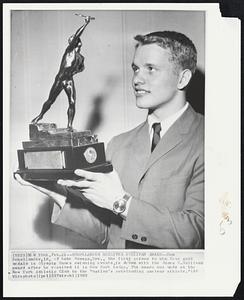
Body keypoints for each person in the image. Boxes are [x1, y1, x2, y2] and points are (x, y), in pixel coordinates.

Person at [16, 30, 204, 249]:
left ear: (183, 78)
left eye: (150, 69)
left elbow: (197, 232)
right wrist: (56, 192)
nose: (137, 79)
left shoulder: (211, 139)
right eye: (135, 69)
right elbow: (109, 234)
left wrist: (120, 202)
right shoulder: (119, 143)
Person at [31, 15, 93, 130]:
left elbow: (81, 68)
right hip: (60, 79)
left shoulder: (81, 57)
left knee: (72, 102)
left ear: (78, 43)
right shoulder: (69, 50)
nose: (72, 39)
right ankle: (39, 116)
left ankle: (69, 125)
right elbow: (77, 34)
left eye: (73, 39)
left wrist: (74, 72)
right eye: (72, 39)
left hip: (69, 80)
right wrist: (86, 23)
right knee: (50, 100)